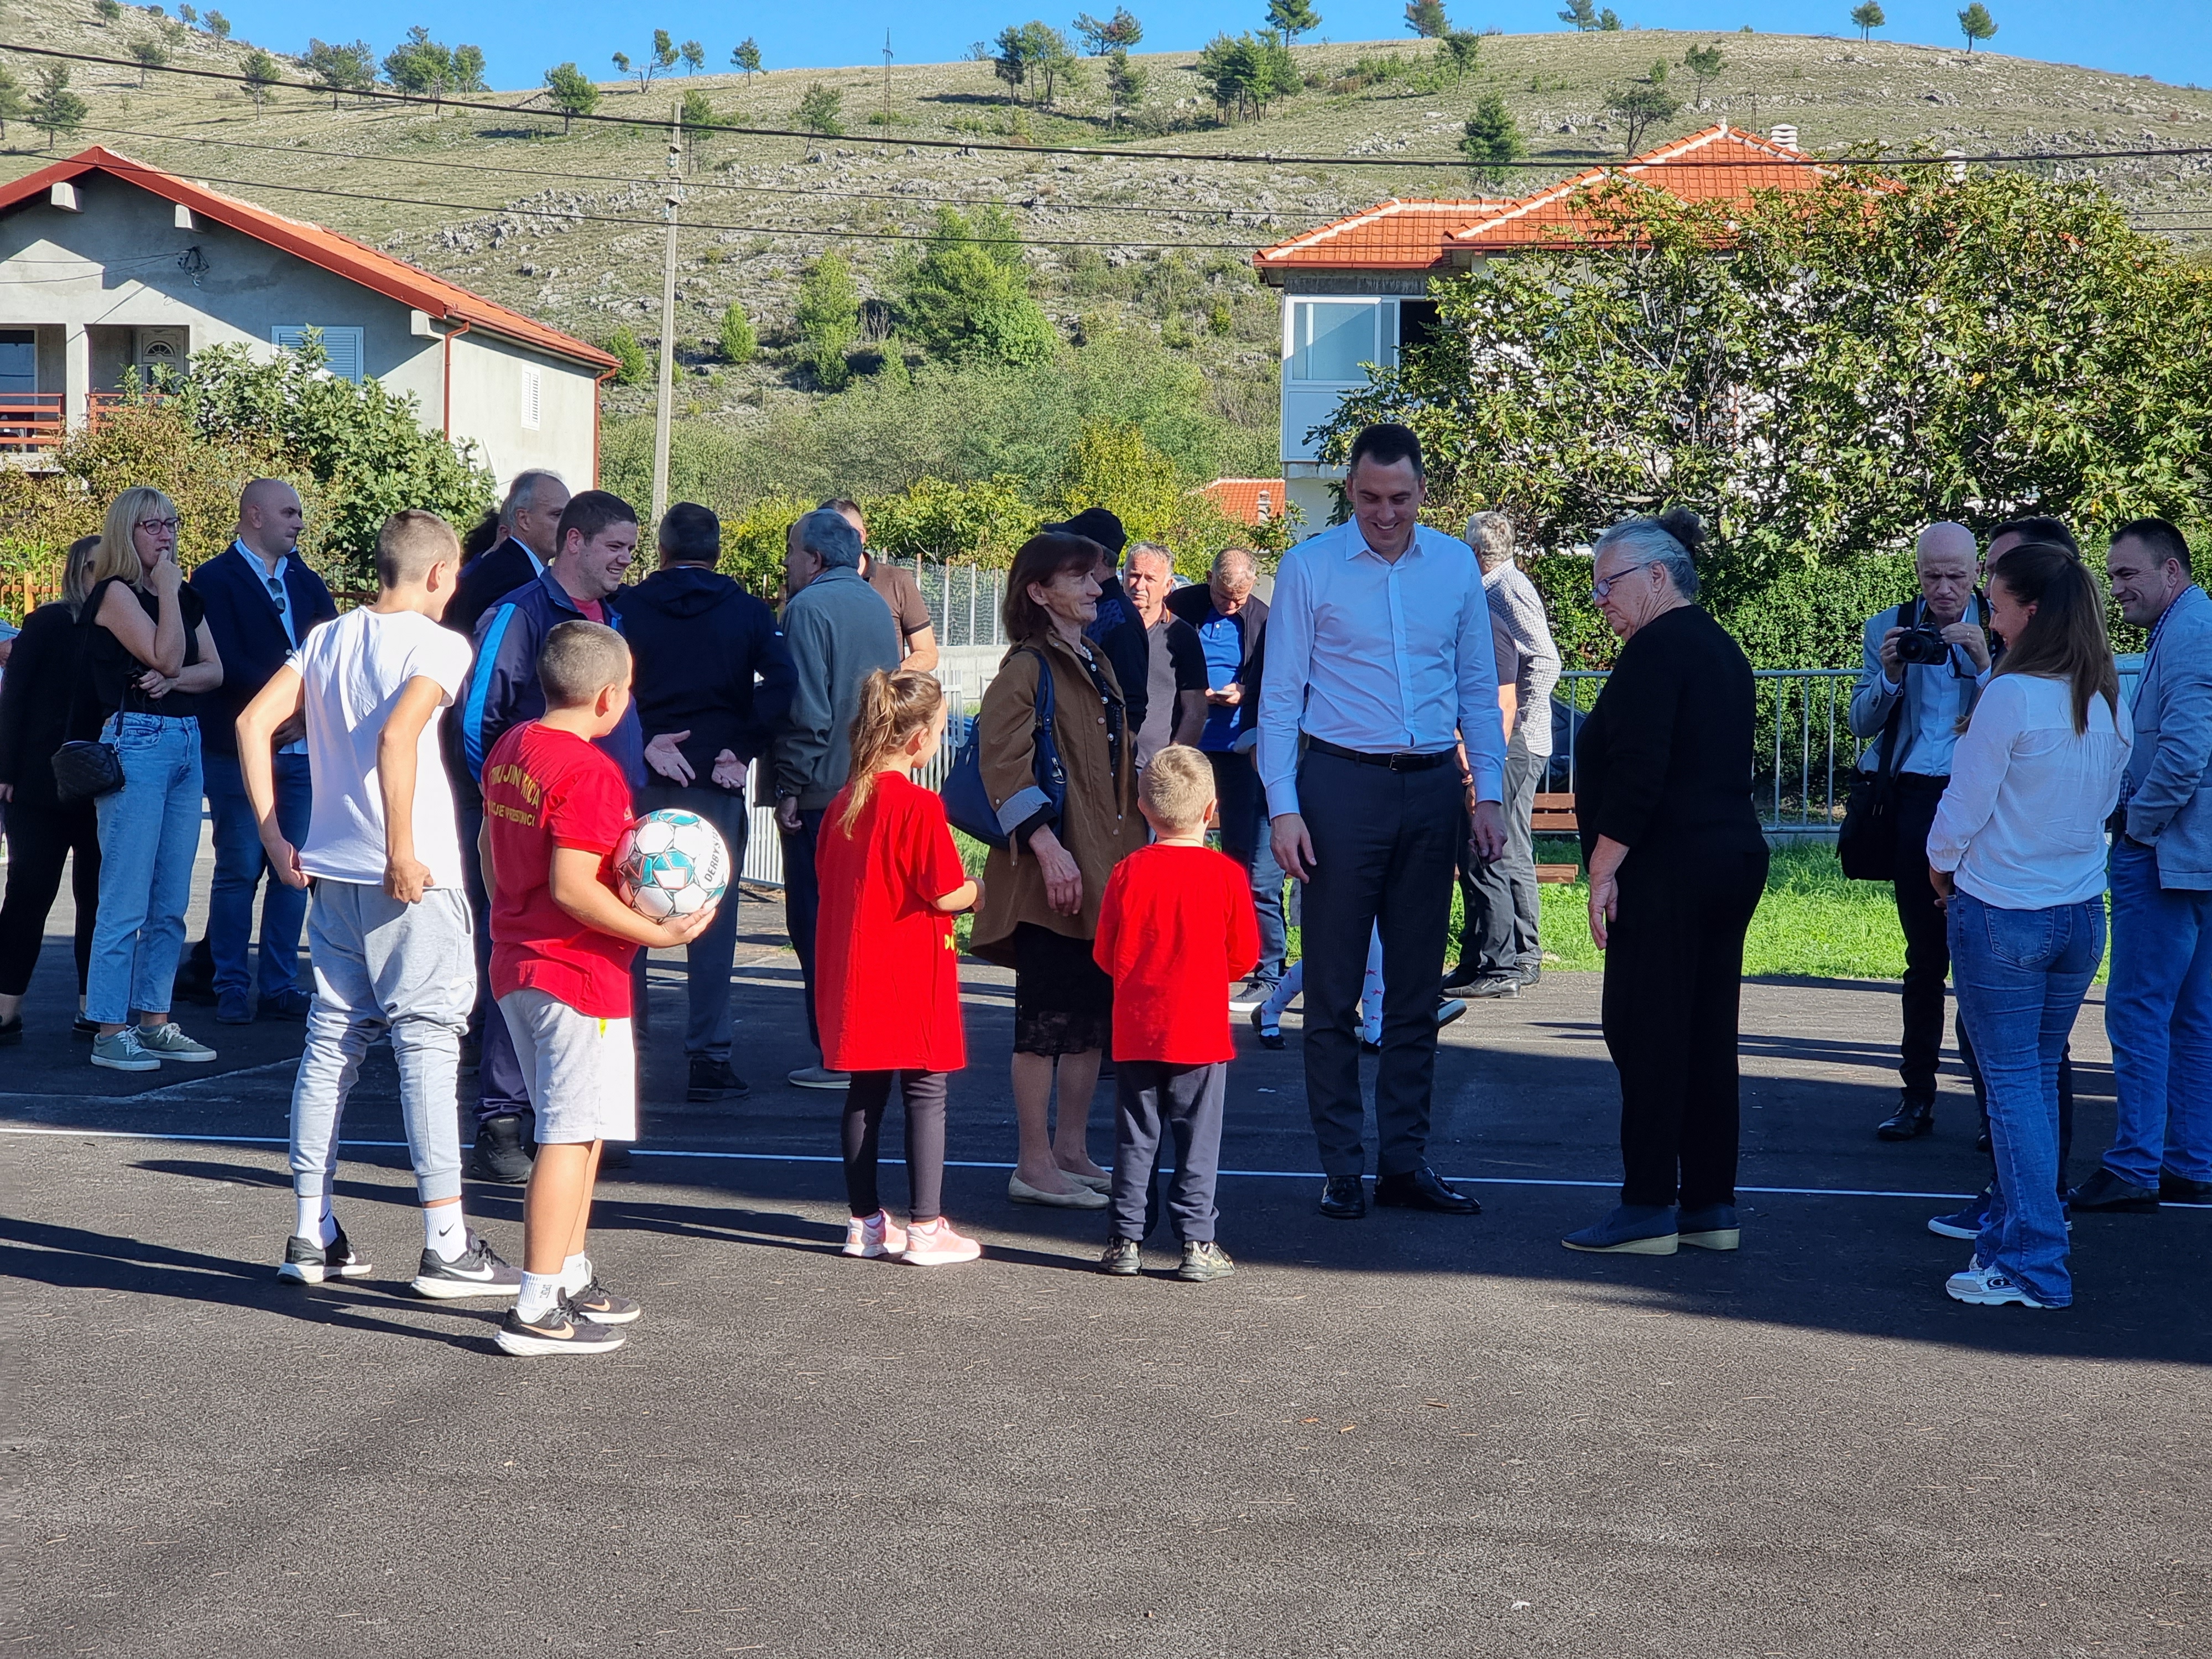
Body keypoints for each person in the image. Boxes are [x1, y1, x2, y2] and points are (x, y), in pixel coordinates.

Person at [237, 510, 519, 1296]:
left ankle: (311, 1230)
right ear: (437, 575)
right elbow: (401, 737)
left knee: (332, 1044)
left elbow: (253, 720)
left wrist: (272, 836)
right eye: (455, 574)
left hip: (333, 872)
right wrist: (402, 848)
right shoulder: (440, 643)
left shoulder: (327, 637)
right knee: (427, 1048)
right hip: (410, 877)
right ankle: (446, 1243)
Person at [1259, 425, 1507, 1221]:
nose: (1385, 513)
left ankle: (1405, 1162)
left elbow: (1477, 686)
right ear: (1350, 491)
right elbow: (1279, 699)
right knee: (1331, 989)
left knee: (1414, 991)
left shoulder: (1456, 567)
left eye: (1399, 498)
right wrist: (1284, 807)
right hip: (1338, 787)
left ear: (1423, 492)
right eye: (1369, 498)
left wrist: (1491, 793)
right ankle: (1341, 1167)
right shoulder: (1309, 567)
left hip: (1433, 788)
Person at [481, 621, 714, 1355]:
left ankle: (571, 1272)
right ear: (611, 697)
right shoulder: (590, 773)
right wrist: (663, 935)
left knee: (582, 1127)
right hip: (573, 974)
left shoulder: (513, 748)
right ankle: (536, 1303)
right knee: (566, 1132)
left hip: (525, 962)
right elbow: (574, 887)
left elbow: (491, 847)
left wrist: (506, 919)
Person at [1927, 546, 2131, 1310]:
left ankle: (2032, 1260)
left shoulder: (2011, 696)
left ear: (2031, 612)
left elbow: (1963, 807)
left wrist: (1940, 865)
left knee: (2014, 1088)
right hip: (2079, 912)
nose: (1989, 613)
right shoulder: (2107, 696)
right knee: (2036, 1081)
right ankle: (2032, 1232)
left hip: (2005, 912)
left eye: (1998, 602)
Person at [1559, 510, 1767, 1255]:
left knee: (1645, 1030)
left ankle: (1648, 1204)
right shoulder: (1718, 647)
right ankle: (1710, 1204)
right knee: (1706, 1034)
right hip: (1728, 856)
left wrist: (1603, 869)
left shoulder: (1655, 650)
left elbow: (1641, 771)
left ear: (1657, 576)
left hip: (1668, 864)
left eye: (1607, 584)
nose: (1600, 601)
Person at [456, 489, 645, 1180]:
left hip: (605, 830)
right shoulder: (519, 612)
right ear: (573, 543)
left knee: (597, 967)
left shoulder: (612, 617)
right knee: (534, 962)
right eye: (614, 548)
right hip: (539, 830)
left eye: (631, 548)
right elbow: (478, 720)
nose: (626, 560)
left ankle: (578, 1120)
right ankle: (502, 1120)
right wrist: (509, 801)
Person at [970, 531, 1139, 1212]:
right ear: (1039, 592)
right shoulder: (1027, 668)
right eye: (1080, 578)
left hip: (1098, 867)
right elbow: (1001, 766)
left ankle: (1069, 1151)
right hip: (1050, 874)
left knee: (1086, 1021)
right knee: (1042, 1022)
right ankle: (1033, 1163)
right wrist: (1046, 845)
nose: (1098, 588)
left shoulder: (1093, 657)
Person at [612, 502, 797, 1104]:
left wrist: (640, 741)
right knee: (712, 917)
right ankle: (709, 1058)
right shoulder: (746, 611)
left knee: (632, 913)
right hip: (715, 779)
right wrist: (739, 747)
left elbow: (605, 685)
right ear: (717, 552)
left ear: (660, 551)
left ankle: (627, 1048)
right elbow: (784, 685)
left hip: (643, 774)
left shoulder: (628, 608)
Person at [816, 670, 984, 1266]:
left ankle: (864, 1222)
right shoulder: (917, 804)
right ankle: (925, 1226)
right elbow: (942, 893)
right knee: (926, 1091)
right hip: (910, 967)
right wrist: (976, 889)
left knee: (864, 1091)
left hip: (856, 968)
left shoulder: (844, 801)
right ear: (918, 739)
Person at [2072, 518, 2211, 1213]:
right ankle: (2186, 1158)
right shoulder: (2188, 624)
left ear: (2171, 573)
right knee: (2189, 1014)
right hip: (2193, 858)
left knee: (2137, 1011)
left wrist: (2136, 825)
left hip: (2167, 856)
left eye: (2128, 574)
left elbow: (2185, 752)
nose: (2116, 587)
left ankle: (2134, 1164)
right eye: (2112, 574)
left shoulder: (2188, 632)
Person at [1848, 522, 1994, 1140]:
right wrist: (1888, 677)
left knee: (1986, 961)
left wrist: (1986, 664)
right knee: (1922, 960)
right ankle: (1917, 1096)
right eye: (1930, 576)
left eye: (1955, 577)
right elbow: (1859, 723)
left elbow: (2028, 719)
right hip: (1909, 798)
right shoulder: (1889, 625)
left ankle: (1995, 1103)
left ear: (1976, 573)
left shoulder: (2007, 623)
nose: (1942, 589)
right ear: (1916, 573)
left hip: (1979, 802)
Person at [1093, 745, 1259, 1281]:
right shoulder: (1226, 876)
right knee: (1197, 1139)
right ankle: (1196, 1241)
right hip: (1200, 1031)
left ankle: (1124, 1239)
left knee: (1135, 1135)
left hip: (1138, 1027)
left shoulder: (1127, 872)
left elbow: (1104, 953)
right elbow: (1245, 956)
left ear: (1143, 807)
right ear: (1211, 810)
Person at [79, 488, 225, 1073]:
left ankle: (154, 1019)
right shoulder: (115, 593)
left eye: (170, 524)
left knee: (170, 898)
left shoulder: (184, 595)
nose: (164, 536)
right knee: (126, 896)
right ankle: (110, 1029)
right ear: (125, 533)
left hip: (183, 740)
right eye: (151, 526)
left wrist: (175, 678)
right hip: (136, 741)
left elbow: (211, 670)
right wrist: (166, 596)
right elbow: (166, 656)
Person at [192, 478, 337, 1026]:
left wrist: (306, 715)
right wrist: (277, 710)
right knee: (238, 867)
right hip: (236, 751)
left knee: (293, 869)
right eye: (289, 513)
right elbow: (221, 660)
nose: (299, 523)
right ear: (254, 516)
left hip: (300, 751)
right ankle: (229, 984)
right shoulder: (214, 579)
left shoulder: (306, 581)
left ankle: (278, 984)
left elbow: (330, 649)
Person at [1449, 512, 1561, 998]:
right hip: (1508, 732)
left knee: (1502, 843)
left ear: (1475, 553)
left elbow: (1545, 658)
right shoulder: (1494, 588)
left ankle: (1519, 958)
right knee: (1499, 843)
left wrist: (1520, 719)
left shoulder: (1504, 590)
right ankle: (1499, 955)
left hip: (1515, 736)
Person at [1167, 548, 1282, 1009]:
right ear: (1209, 578)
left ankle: (1268, 969)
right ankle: (1194, 957)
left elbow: (1286, 679)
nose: (1230, 603)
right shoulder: (1183, 608)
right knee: (1182, 861)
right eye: (1222, 594)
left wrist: (1246, 690)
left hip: (1244, 751)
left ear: (1252, 586)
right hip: (1191, 748)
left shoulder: (1266, 621)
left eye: (1239, 597)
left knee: (1253, 866)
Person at [0, 535, 103, 1045]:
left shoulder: (129, 627)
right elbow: (13, 698)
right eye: (99, 567)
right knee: (28, 893)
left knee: (99, 896)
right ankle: (5, 1007)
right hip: (39, 784)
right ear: (79, 570)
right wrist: (6, 772)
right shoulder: (47, 623)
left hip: (105, 784)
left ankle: (94, 1006)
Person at [1048, 508, 1151, 750]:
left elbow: (1132, 707)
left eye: (1071, 549)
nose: (1062, 557)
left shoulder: (1118, 618)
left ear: (1095, 556)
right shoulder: (1090, 608)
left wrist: (1109, 768)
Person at [445, 470, 571, 644]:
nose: (568, 527)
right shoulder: (513, 579)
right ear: (524, 520)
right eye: (557, 515)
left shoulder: (504, 568)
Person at [820, 498, 938, 674]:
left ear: (862, 535)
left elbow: (928, 654)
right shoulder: (815, 587)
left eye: (840, 535)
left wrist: (886, 680)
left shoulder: (897, 581)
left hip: (885, 698)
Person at [1121, 541, 1207, 772]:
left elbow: (1196, 709)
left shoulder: (1181, 636)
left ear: (1168, 586)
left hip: (1155, 767)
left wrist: (1172, 762)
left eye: (1150, 579)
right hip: (1104, 765)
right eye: (1134, 575)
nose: (1139, 585)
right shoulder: (1103, 625)